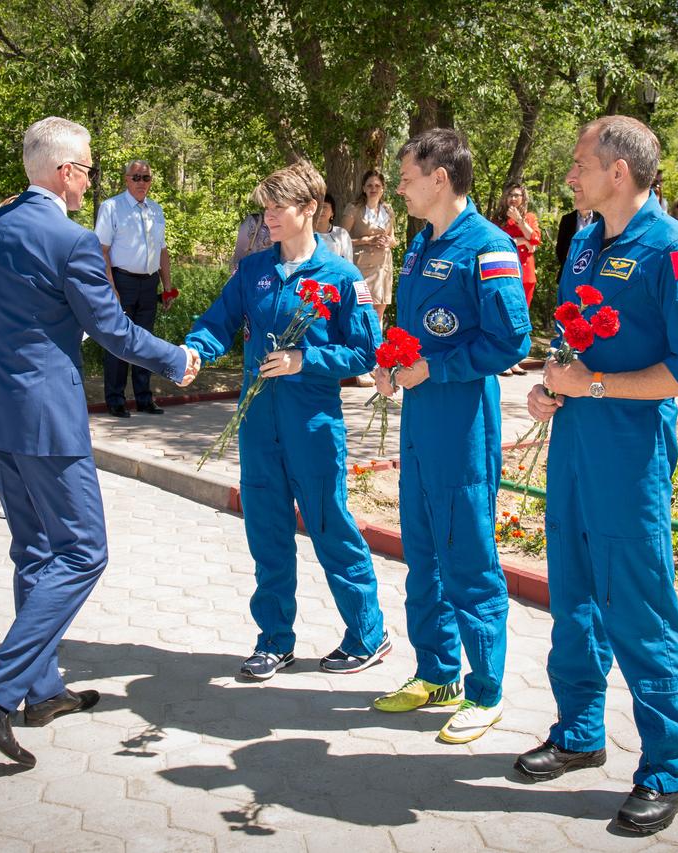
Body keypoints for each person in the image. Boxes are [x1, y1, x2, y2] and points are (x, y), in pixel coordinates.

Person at [0, 116, 197, 767]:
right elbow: (115, 331)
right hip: (47, 419)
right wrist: (174, 358)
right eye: (87, 168)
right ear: (64, 172)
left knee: (35, 549)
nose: (91, 178)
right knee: (84, 551)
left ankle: (41, 688)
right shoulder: (72, 240)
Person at [520, 116, 678, 835]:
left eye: (580, 162)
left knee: (639, 607)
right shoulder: (583, 240)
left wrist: (596, 387)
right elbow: (572, 336)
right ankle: (579, 731)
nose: (570, 174)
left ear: (617, 171)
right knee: (573, 594)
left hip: (630, 457)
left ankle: (666, 771)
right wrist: (554, 386)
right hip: (576, 445)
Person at [185, 161, 390, 681]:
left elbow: (366, 351)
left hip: (313, 425)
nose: (267, 217)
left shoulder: (342, 277)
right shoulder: (254, 270)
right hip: (257, 425)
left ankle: (367, 633)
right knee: (266, 531)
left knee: (329, 527)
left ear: (307, 211)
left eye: (276, 208)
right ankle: (274, 639)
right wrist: (192, 352)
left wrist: (307, 362)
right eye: (264, 208)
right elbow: (218, 322)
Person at [370, 128, 530, 744]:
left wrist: (436, 367)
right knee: (424, 553)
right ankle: (438, 673)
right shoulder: (417, 245)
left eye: (407, 177)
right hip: (419, 421)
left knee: (468, 557)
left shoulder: (488, 247)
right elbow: (411, 327)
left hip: (462, 422)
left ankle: (485, 690)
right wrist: (390, 363)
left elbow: (509, 341)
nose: (400, 186)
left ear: (441, 177)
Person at [94, 159, 176, 418]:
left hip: (149, 282)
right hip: (122, 281)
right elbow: (102, 251)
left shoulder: (156, 210)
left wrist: (167, 287)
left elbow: (162, 250)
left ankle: (143, 398)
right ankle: (116, 399)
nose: (142, 182)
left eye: (146, 177)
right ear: (127, 179)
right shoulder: (111, 208)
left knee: (145, 341)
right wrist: (112, 288)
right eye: (137, 177)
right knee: (119, 340)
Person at [496, 181, 542, 375]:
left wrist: (521, 223)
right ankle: (503, 360)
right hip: (507, 272)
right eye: (510, 195)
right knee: (505, 316)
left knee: (521, 319)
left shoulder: (529, 217)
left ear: (523, 198)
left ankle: (515, 359)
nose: (513, 198)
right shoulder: (499, 220)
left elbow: (536, 239)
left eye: (517, 195)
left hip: (527, 274)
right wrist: (522, 241)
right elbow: (499, 243)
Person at [342, 170, 397, 326]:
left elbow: (393, 240)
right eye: (370, 185)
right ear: (364, 188)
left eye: (377, 185)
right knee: (361, 309)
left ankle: (376, 349)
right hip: (361, 266)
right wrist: (367, 240)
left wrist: (388, 241)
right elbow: (342, 239)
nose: (374, 188)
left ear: (383, 189)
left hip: (383, 267)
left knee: (379, 312)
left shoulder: (388, 210)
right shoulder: (353, 208)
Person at [555, 205, 595, 281]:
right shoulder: (567, 219)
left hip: (593, 273)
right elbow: (560, 249)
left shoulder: (601, 218)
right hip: (570, 271)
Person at [315, 192, 354, 262]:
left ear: (332, 212)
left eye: (324, 207)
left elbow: (348, 262)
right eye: (318, 207)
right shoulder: (305, 234)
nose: (321, 210)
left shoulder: (342, 234)